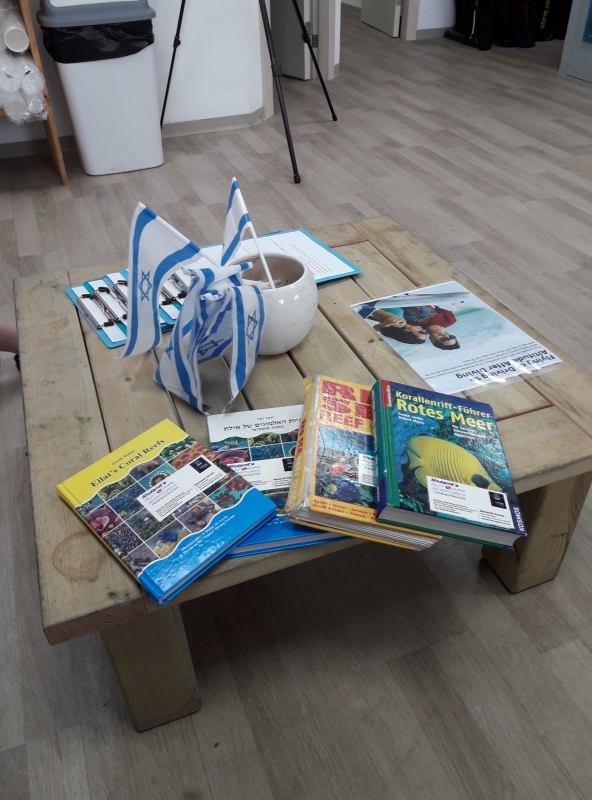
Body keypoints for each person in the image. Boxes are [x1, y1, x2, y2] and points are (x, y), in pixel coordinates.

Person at [359, 307, 427, 346]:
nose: (424, 330)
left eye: (421, 332)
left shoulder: (399, 323)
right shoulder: (404, 322)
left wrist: (386, 324)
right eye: (425, 332)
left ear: (408, 333)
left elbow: (371, 309)